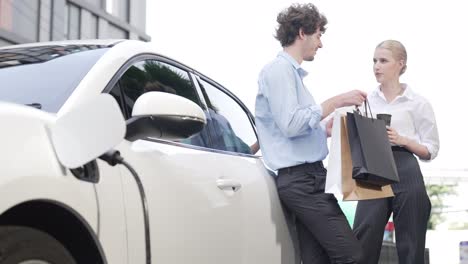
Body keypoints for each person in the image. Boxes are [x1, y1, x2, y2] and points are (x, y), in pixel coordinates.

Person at [255, 3, 367, 264]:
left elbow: (290, 126)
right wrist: (336, 101)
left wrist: (321, 130)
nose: (321, 43)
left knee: (317, 260)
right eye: (318, 35)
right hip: (302, 183)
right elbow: (292, 124)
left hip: (309, 179)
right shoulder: (278, 70)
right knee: (352, 256)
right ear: (302, 32)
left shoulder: (289, 74)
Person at [352, 40, 440, 264]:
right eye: (374, 61)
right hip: (374, 169)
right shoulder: (364, 102)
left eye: (383, 61)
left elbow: (431, 149)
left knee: (412, 243)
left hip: (405, 166)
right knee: (364, 236)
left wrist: (403, 140)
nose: (376, 66)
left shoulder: (418, 103)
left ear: (400, 64)